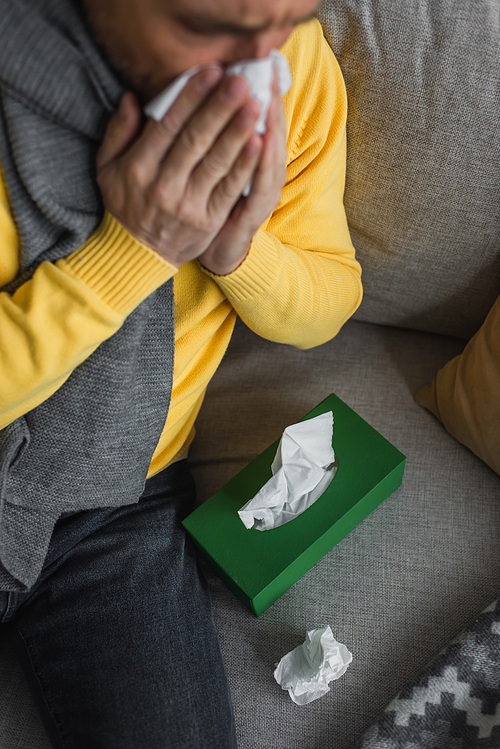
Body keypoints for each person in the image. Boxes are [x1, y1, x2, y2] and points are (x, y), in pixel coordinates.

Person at [0, 0, 362, 746]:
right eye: (208, 27)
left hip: (126, 494)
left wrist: (235, 247)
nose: (259, 65)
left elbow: (330, 294)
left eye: (286, 20)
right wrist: (134, 250)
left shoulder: (290, 58)